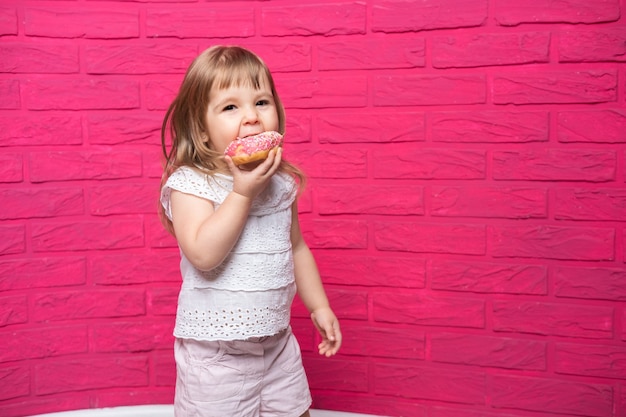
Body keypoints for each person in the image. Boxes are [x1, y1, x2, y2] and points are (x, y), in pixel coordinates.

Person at [159, 45, 342, 417]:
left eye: (261, 102)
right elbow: (203, 254)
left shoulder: (281, 184)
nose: (252, 117)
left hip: (277, 343)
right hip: (216, 355)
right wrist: (242, 193)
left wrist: (318, 305)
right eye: (230, 107)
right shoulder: (191, 184)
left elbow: (297, 248)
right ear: (203, 132)